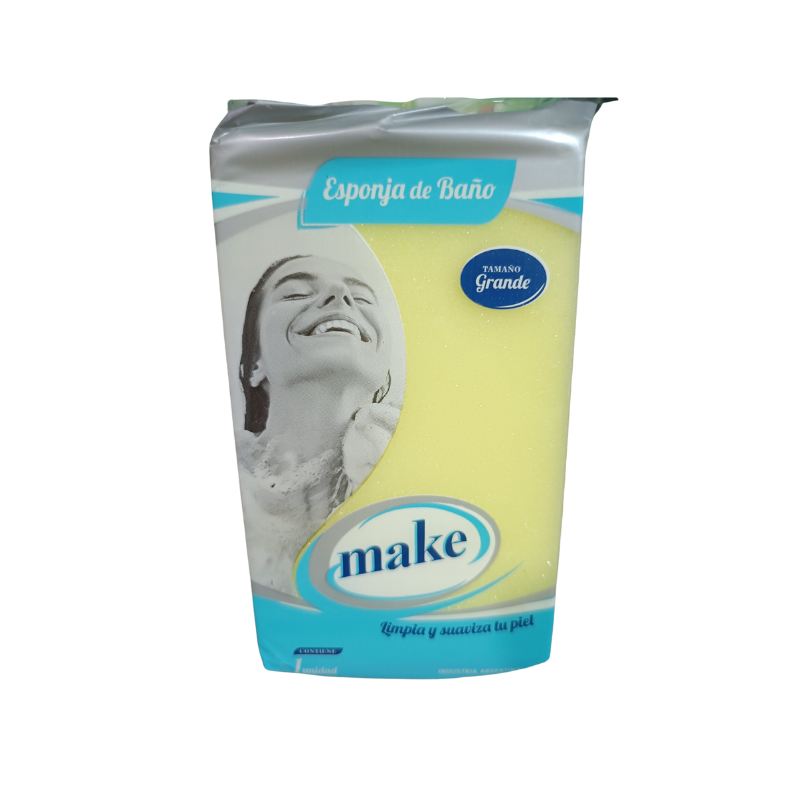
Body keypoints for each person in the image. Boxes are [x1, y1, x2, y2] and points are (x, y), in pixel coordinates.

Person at [235, 254, 401, 594]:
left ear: (384, 368)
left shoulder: (433, 462)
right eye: (296, 293)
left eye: (362, 298)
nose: (340, 295)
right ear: (254, 364)